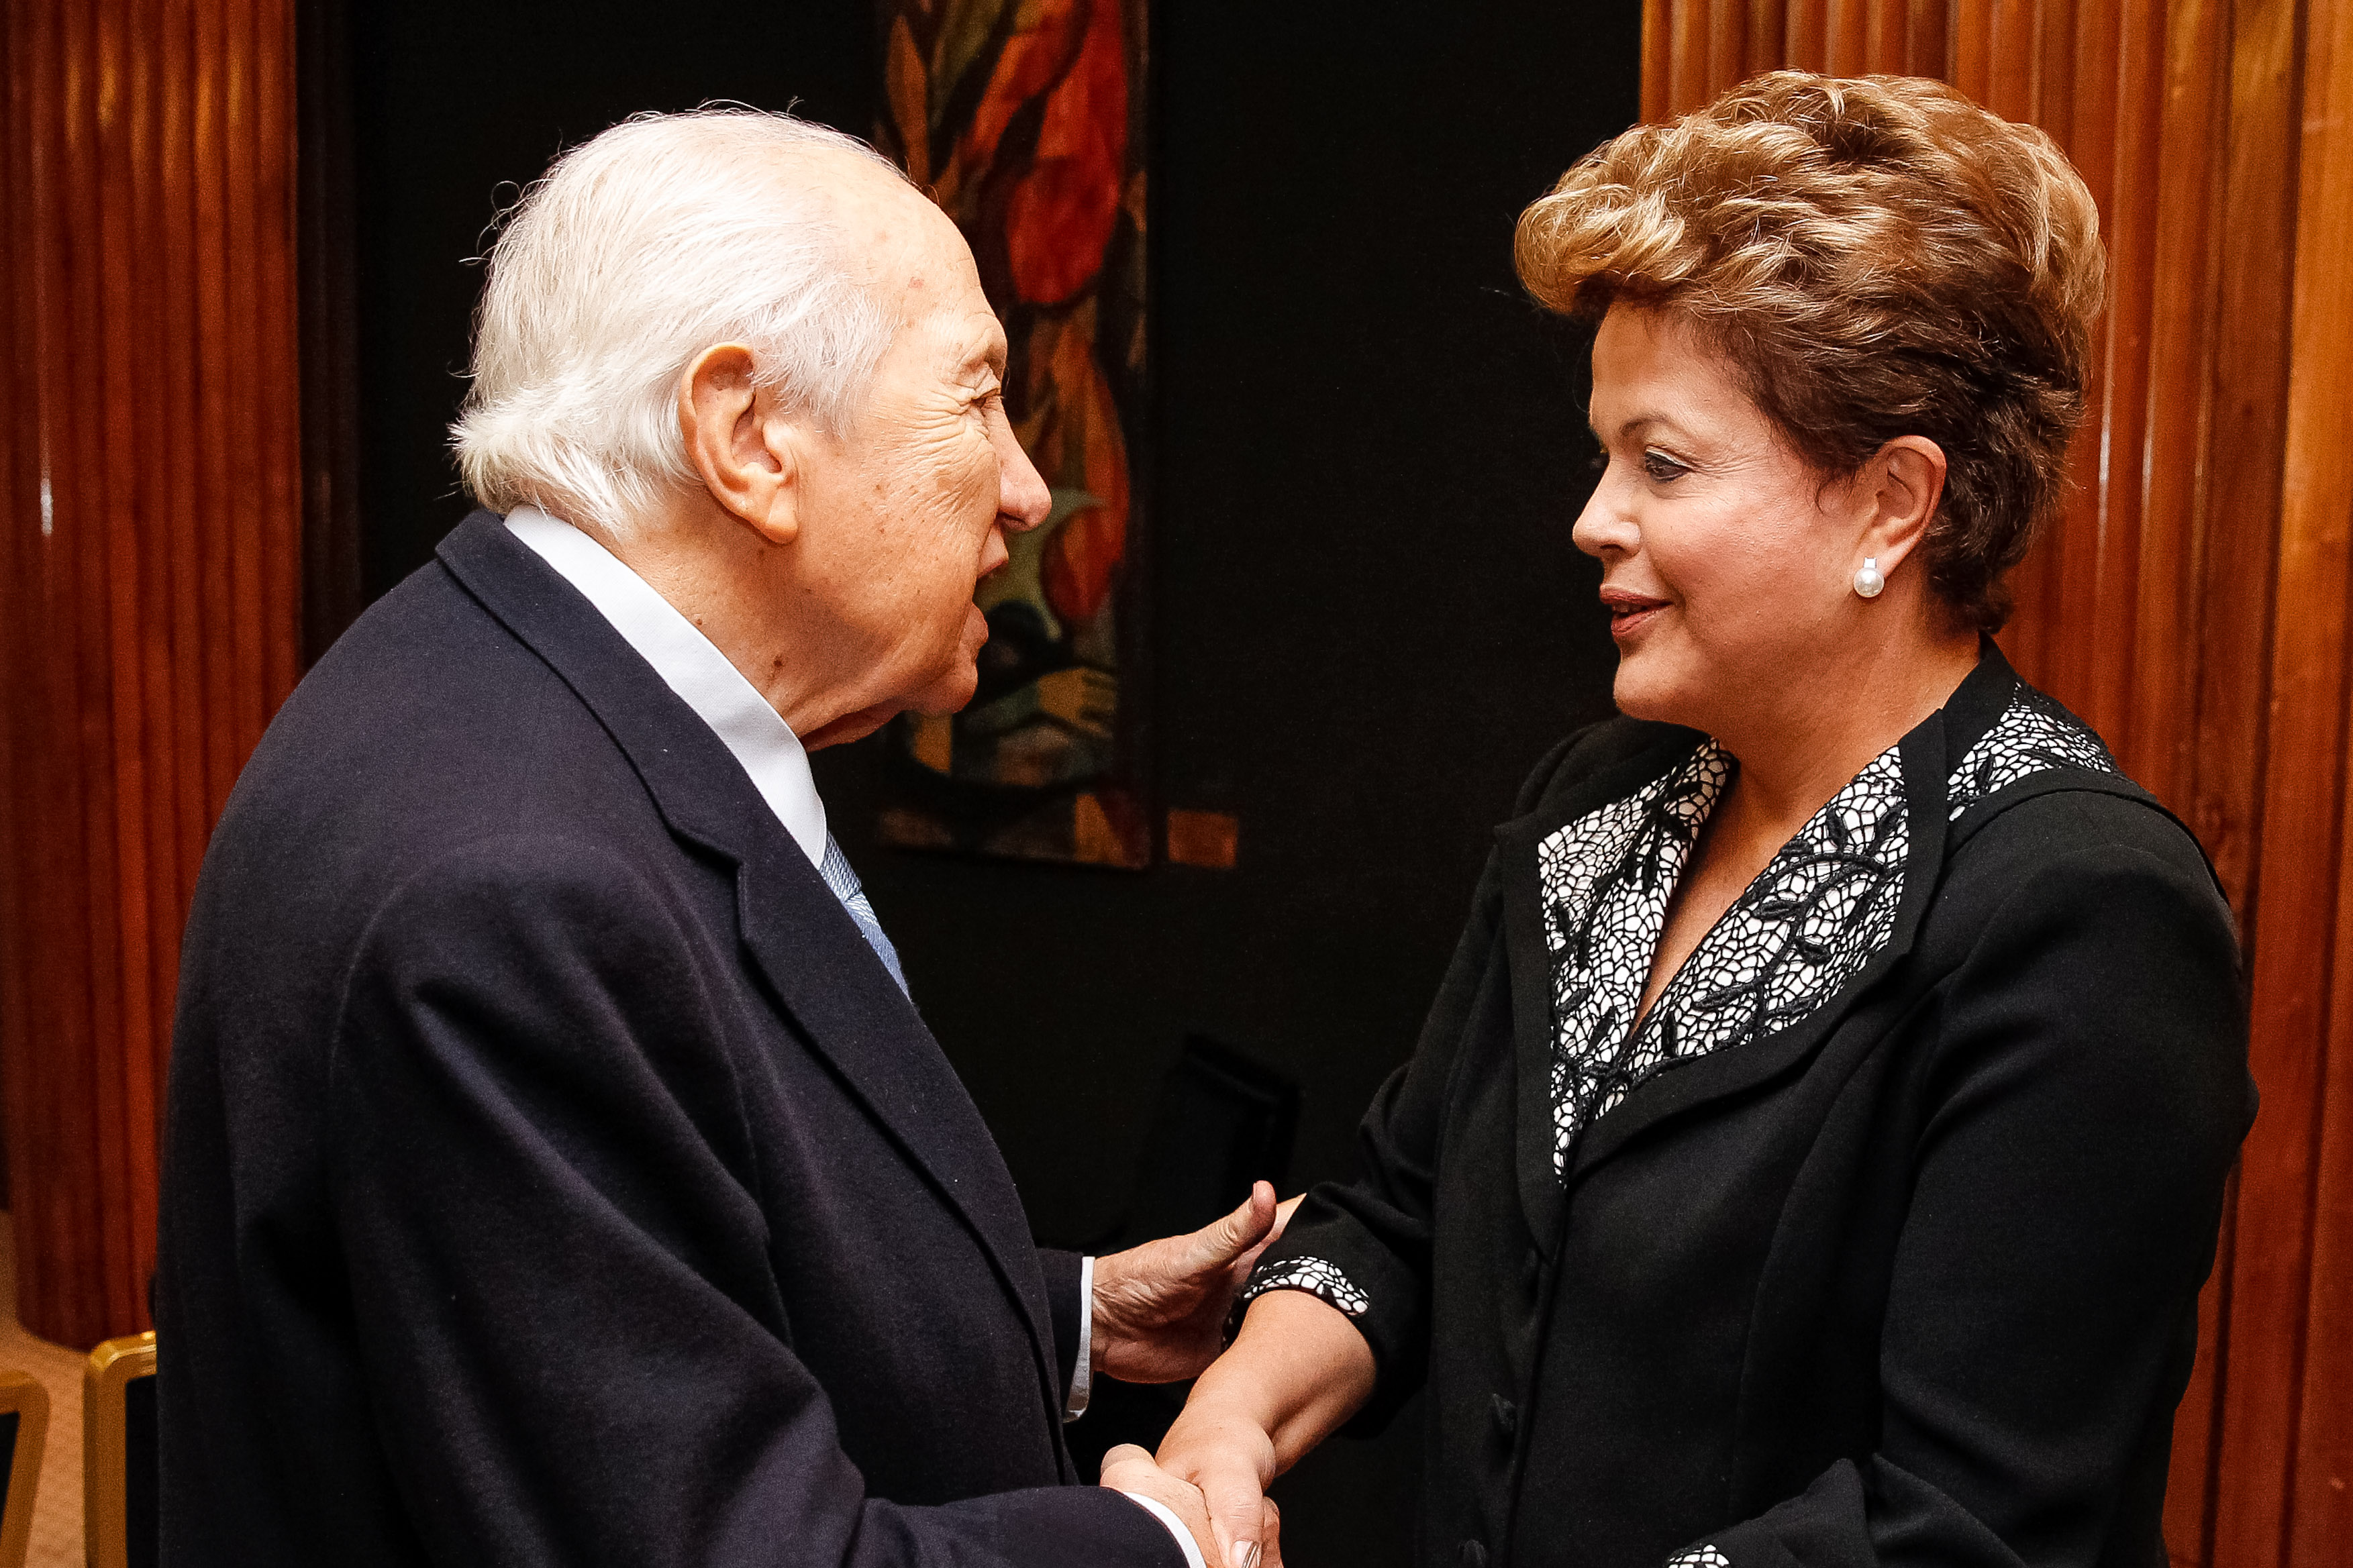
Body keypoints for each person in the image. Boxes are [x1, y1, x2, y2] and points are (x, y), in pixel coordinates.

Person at [1154, 72, 2255, 1568]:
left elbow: (1972, 1522)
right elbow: (1402, 1216)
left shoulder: (2080, 907)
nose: (1591, 517)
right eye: (1605, 451)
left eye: (1661, 462)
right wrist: (1232, 1408)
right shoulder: (1593, 803)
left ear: (1889, 504)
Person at [155, 109, 1281, 1568]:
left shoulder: (505, 686)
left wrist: (1064, 1313)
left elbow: (627, 1278)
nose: (1022, 484)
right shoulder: (513, 885)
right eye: (978, 397)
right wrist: (1161, 1548)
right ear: (748, 437)